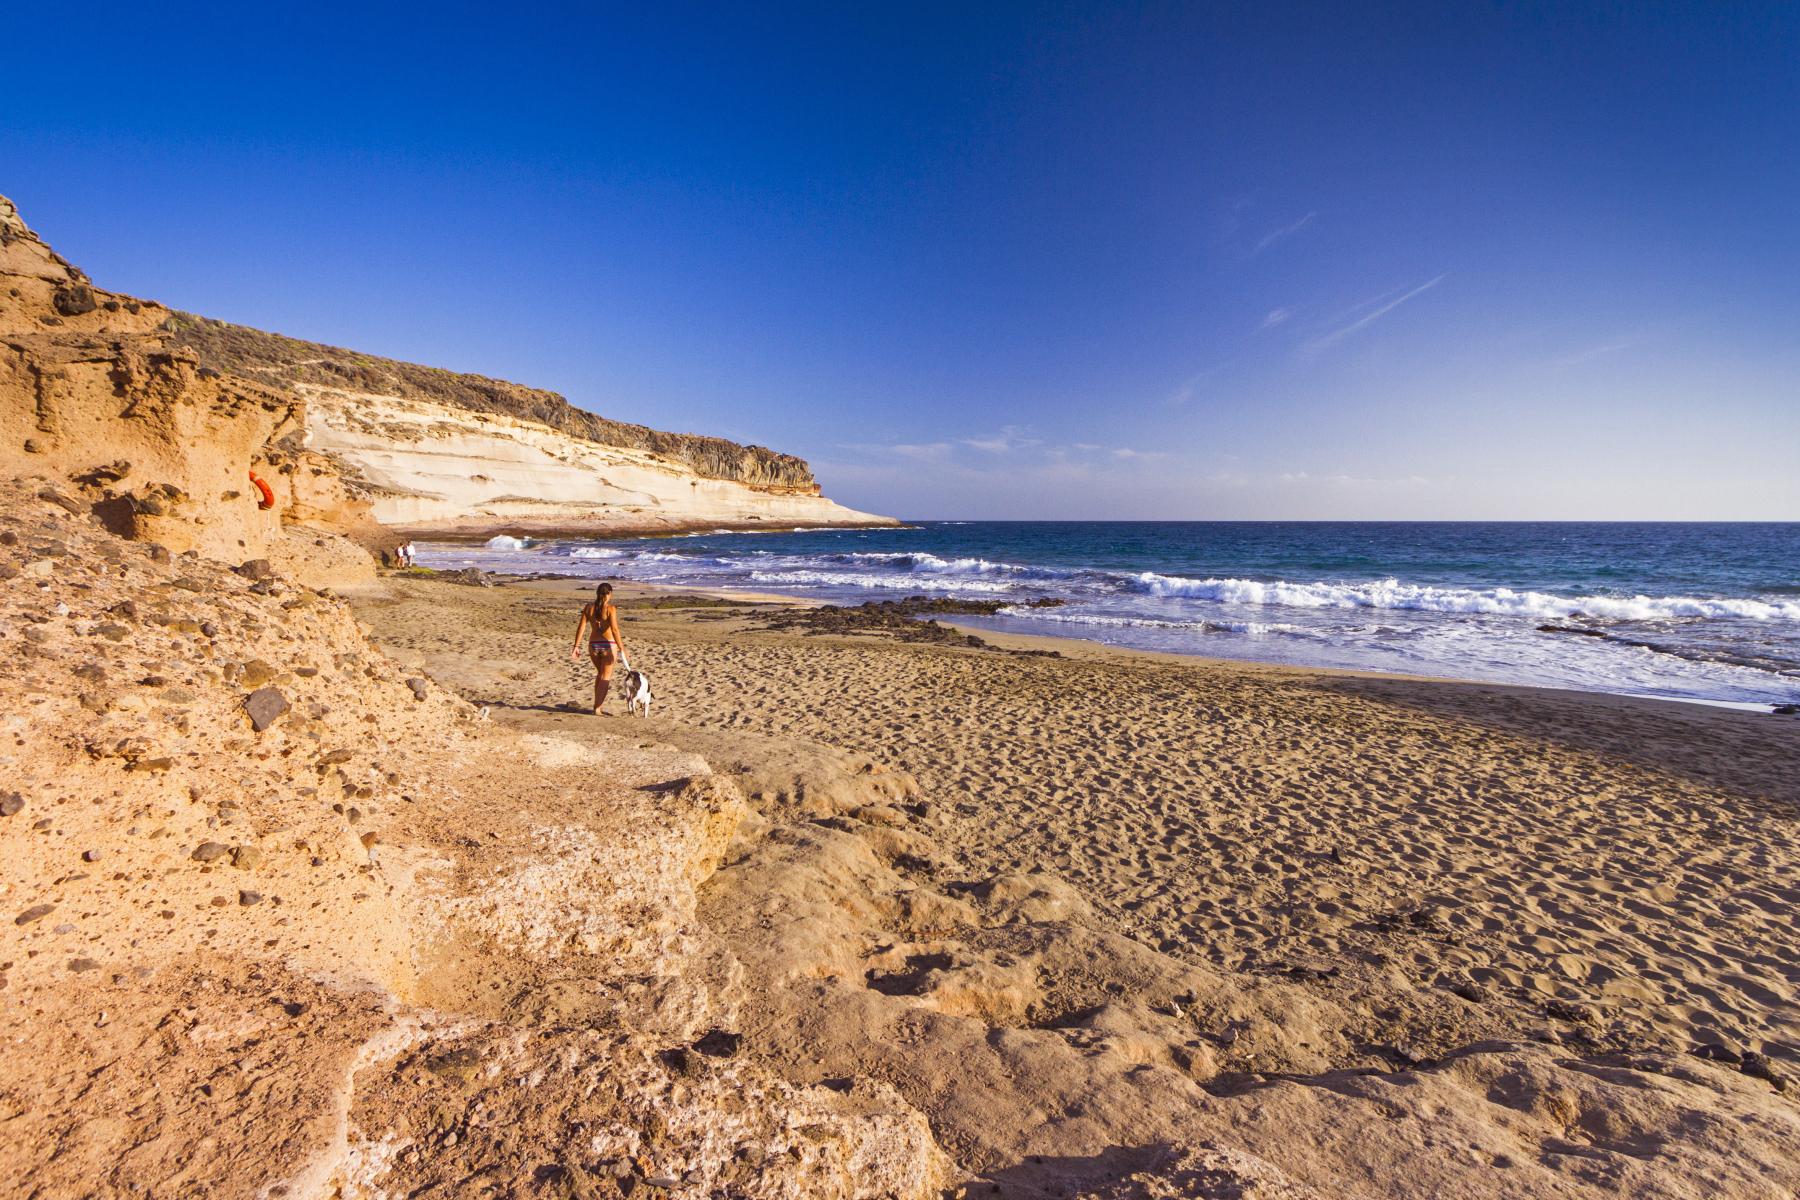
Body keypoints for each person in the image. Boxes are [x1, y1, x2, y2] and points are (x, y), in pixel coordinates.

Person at [571, 582, 625, 714]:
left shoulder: (588, 608)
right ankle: (597, 708)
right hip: (608, 645)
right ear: (610, 594)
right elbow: (615, 629)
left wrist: (576, 646)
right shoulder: (611, 608)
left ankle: (597, 705)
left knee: (600, 674)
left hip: (593, 645)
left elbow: (581, 627)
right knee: (605, 677)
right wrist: (622, 648)